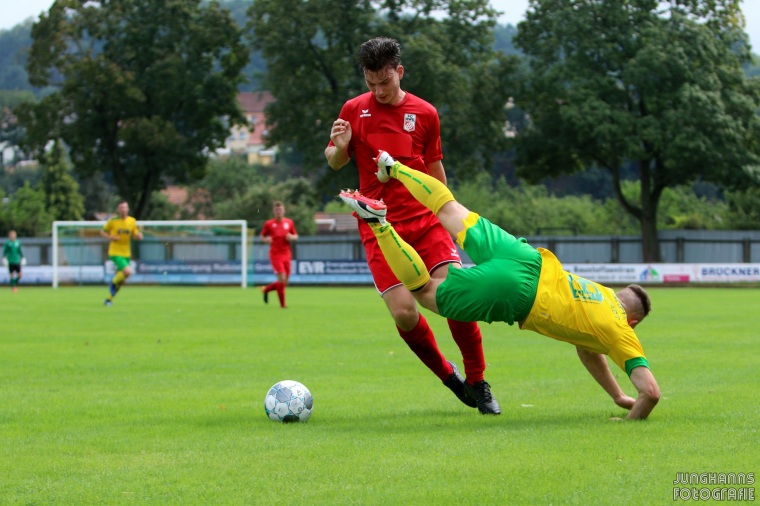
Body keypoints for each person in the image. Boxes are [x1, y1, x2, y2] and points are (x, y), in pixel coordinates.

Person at [338, 151, 661, 420]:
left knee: (448, 208)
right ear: (633, 322)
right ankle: (380, 223)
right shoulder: (620, 329)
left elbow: (589, 351)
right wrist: (632, 418)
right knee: (424, 292)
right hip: (517, 294)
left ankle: (393, 167)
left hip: (526, 256)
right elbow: (650, 393)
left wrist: (618, 395)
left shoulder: (601, 295)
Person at [325, 36, 500, 414]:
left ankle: (478, 381)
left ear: (399, 72)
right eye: (370, 84)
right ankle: (449, 377)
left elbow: (435, 170)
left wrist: (449, 215)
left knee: (457, 295)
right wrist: (339, 147)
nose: (377, 91)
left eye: (384, 83)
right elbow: (335, 161)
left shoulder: (425, 113)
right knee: (404, 312)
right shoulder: (353, 109)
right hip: (379, 227)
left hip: (425, 221)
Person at [100, 200, 143, 306]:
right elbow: (102, 231)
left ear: (128, 209)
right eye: (121, 208)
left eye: (125, 207)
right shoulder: (112, 221)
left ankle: (108, 299)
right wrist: (111, 237)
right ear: (118, 210)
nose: (123, 210)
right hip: (115, 252)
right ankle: (113, 281)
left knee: (122, 281)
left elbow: (135, 233)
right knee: (128, 272)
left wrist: (138, 236)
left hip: (126, 253)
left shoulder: (132, 221)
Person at [260, 201, 298, 308]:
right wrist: (266, 239)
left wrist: (292, 237)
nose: (278, 212)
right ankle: (283, 305)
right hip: (275, 254)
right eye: (276, 210)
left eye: (280, 210)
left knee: (285, 282)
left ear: (284, 211)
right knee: (281, 278)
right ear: (274, 211)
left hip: (286, 253)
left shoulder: (289, 222)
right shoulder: (269, 224)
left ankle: (266, 289)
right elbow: (262, 237)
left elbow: (296, 236)